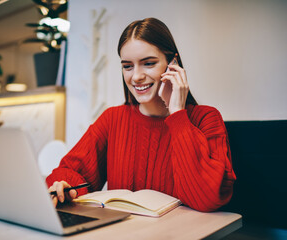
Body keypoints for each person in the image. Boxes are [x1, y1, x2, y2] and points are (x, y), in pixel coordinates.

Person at [46, 17, 236, 212]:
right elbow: (70, 171)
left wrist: (177, 114)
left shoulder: (206, 119)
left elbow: (207, 199)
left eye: (148, 63)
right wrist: (64, 186)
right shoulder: (113, 119)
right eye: (127, 66)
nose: (136, 76)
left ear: (173, 63)